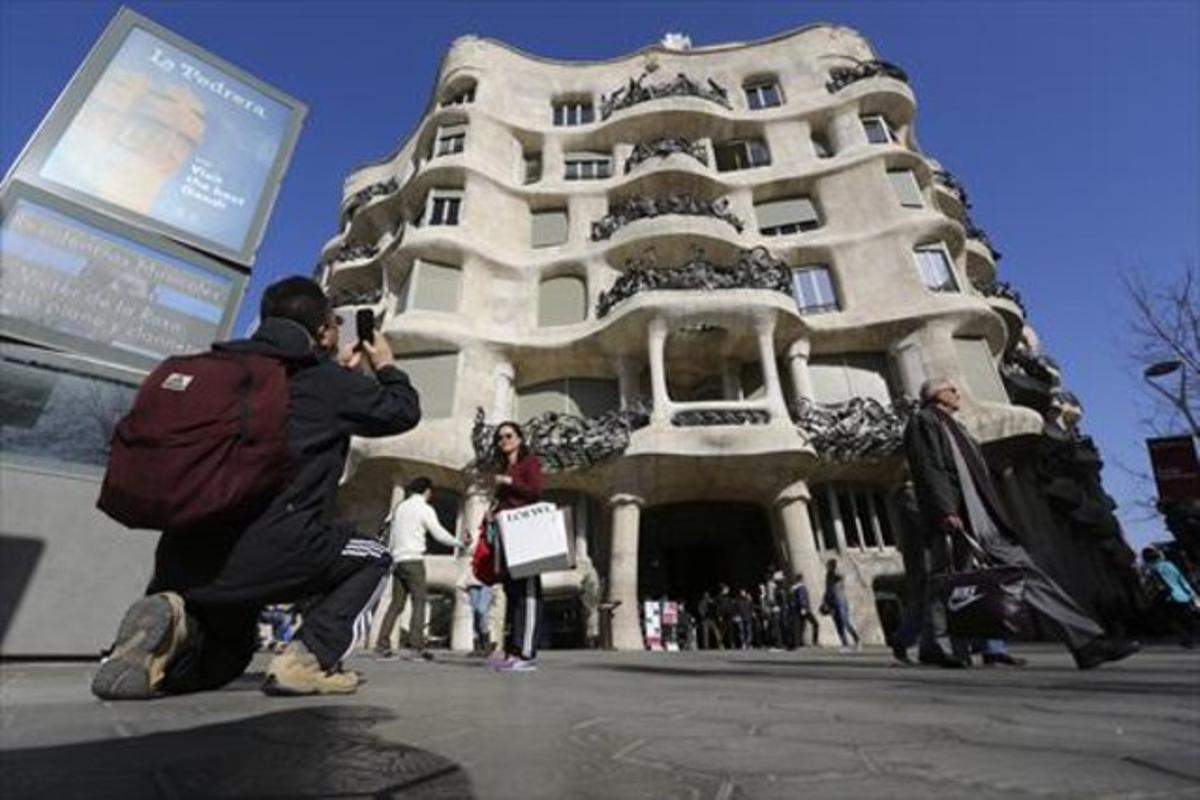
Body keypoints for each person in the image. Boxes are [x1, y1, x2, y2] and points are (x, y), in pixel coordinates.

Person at [92, 276, 421, 699]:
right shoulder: (328, 384)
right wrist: (386, 366)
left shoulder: (221, 369)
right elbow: (403, 411)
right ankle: (308, 660)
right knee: (374, 556)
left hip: (185, 560)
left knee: (226, 658)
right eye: (334, 324)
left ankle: (172, 620)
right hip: (277, 554)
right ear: (322, 332)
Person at [903, 377, 1139, 670]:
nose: (958, 393)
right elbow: (929, 467)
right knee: (946, 583)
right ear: (937, 394)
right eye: (952, 389)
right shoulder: (923, 421)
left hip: (983, 518)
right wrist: (945, 509)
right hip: (956, 516)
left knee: (1023, 573)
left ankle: (1086, 641)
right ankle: (936, 646)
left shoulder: (958, 427)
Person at [374, 477, 468, 660]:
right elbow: (438, 533)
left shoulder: (400, 507)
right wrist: (459, 543)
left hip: (397, 560)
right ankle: (416, 646)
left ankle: (382, 644)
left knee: (396, 604)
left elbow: (387, 529)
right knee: (419, 601)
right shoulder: (424, 509)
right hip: (413, 560)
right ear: (426, 491)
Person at [486, 421, 545, 672]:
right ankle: (512, 649)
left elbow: (535, 491)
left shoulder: (529, 462)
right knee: (512, 591)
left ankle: (527, 652)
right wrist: (491, 512)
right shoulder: (504, 466)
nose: (504, 441)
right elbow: (503, 501)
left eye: (509, 436)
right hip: (506, 533)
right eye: (500, 438)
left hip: (526, 533)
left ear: (519, 438)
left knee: (528, 591)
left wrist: (508, 480)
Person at [1143, 546, 1199, 648]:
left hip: (1168, 596)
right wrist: (1191, 592)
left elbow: (1156, 585)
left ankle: (1186, 639)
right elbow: (1181, 578)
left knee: (1173, 620)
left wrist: (1153, 596)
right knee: (1187, 617)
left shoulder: (1152, 569)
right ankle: (1189, 637)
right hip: (1182, 595)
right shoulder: (1169, 564)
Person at [824, 558, 861, 651]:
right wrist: (825, 601)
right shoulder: (828, 575)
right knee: (837, 623)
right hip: (832, 601)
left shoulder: (837, 573)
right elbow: (827, 589)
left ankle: (857, 639)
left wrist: (835, 569)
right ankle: (845, 644)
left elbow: (840, 576)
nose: (827, 567)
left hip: (840, 600)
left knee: (844, 621)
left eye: (829, 565)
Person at [790, 574, 820, 647]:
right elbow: (802, 598)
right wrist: (803, 608)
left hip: (797, 609)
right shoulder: (801, 588)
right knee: (815, 624)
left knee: (801, 626)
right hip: (804, 609)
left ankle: (799, 642)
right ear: (801, 579)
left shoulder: (793, 588)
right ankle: (815, 641)